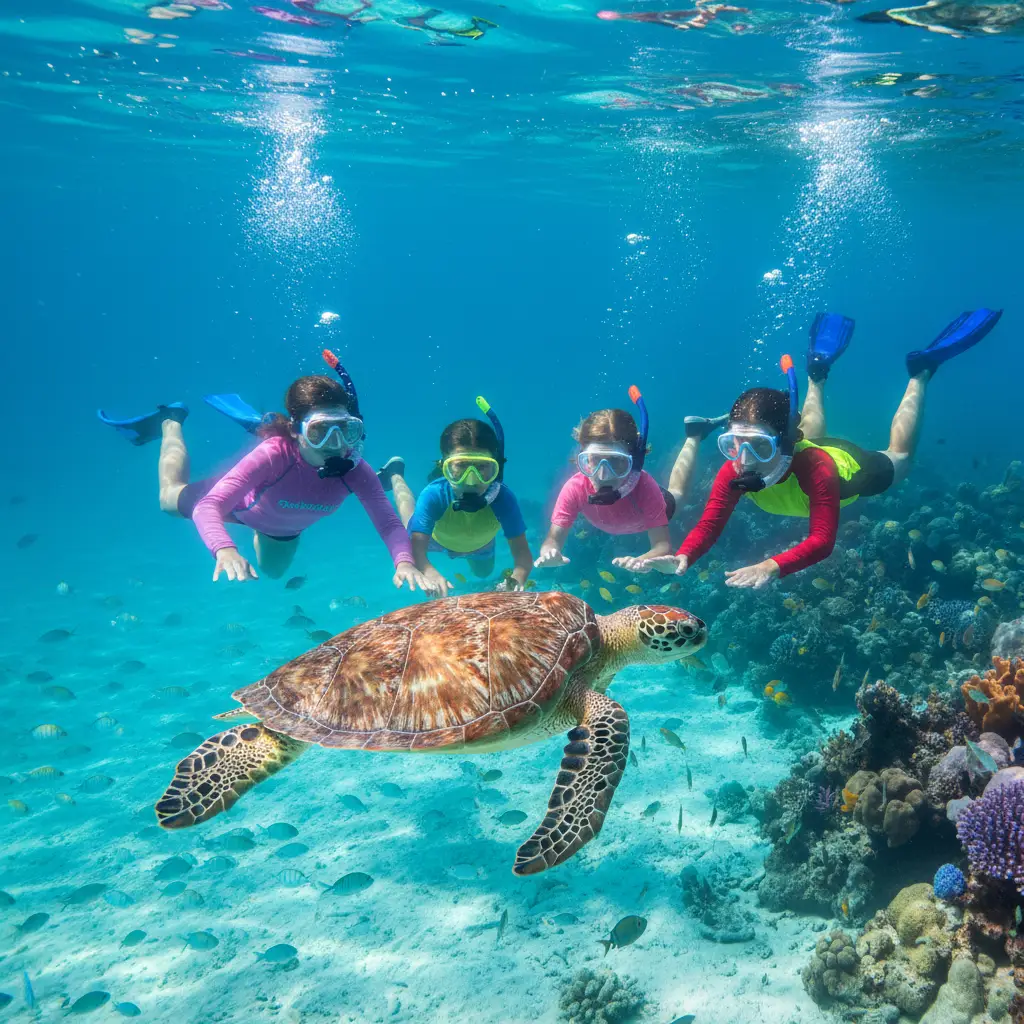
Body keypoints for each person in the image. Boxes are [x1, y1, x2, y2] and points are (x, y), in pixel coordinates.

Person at [632, 308, 1003, 588]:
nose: (744, 460)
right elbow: (710, 523)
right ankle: (817, 373)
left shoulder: (817, 469)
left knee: (901, 458)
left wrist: (770, 566)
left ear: (782, 441)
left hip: (847, 466)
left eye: (758, 446)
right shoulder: (737, 469)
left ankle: (921, 372)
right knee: (807, 429)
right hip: (798, 445)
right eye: (733, 444)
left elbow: (822, 541)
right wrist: (682, 557)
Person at [98, 356, 429, 590]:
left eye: (346, 430)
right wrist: (225, 549)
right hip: (239, 505)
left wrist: (403, 561)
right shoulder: (274, 454)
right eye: (320, 432)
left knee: (273, 572)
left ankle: (265, 424)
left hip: (280, 527)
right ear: (297, 432)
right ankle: (170, 420)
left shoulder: (355, 469)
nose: (336, 443)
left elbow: (387, 523)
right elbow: (208, 507)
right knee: (167, 499)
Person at [533, 386, 726, 572]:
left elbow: (662, 546)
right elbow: (552, 539)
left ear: (634, 461)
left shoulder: (645, 487)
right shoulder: (575, 487)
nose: (603, 475)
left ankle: (694, 435)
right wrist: (550, 553)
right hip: (632, 517)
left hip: (655, 504)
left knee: (678, 494)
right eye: (594, 461)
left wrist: (640, 561)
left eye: (616, 462)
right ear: (582, 458)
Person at [379, 397, 533, 598]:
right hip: (435, 538)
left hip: (480, 543)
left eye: (482, 468)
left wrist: (517, 579)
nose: (471, 480)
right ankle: (395, 475)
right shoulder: (434, 495)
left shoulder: (503, 499)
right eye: (460, 467)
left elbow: (523, 555)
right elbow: (417, 551)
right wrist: (429, 571)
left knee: (483, 572)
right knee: (410, 518)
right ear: (444, 467)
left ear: (495, 467)